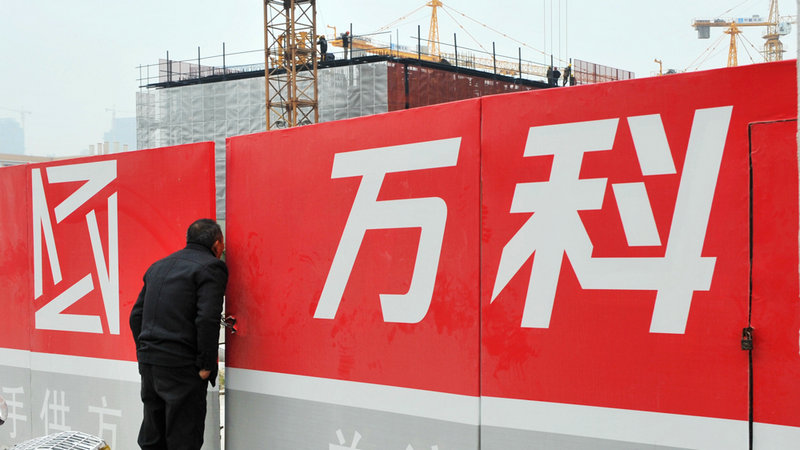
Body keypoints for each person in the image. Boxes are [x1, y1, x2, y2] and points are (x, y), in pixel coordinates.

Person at [130, 218, 227, 450]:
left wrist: (144, 353)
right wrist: (206, 365)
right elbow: (207, 318)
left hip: (151, 365)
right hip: (182, 367)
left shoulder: (158, 266)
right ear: (217, 243)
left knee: (152, 438)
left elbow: (136, 316)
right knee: (184, 440)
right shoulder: (211, 267)